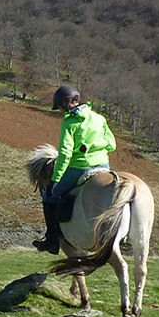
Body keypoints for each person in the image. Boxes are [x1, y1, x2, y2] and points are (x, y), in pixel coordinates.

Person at [34, 86, 116, 254]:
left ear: (66, 103)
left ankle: (51, 240)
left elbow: (64, 154)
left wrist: (55, 180)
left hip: (80, 169)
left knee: (48, 197)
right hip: (103, 167)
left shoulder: (69, 122)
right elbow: (112, 145)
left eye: (61, 106)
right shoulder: (98, 118)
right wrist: (92, 146)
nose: (61, 110)